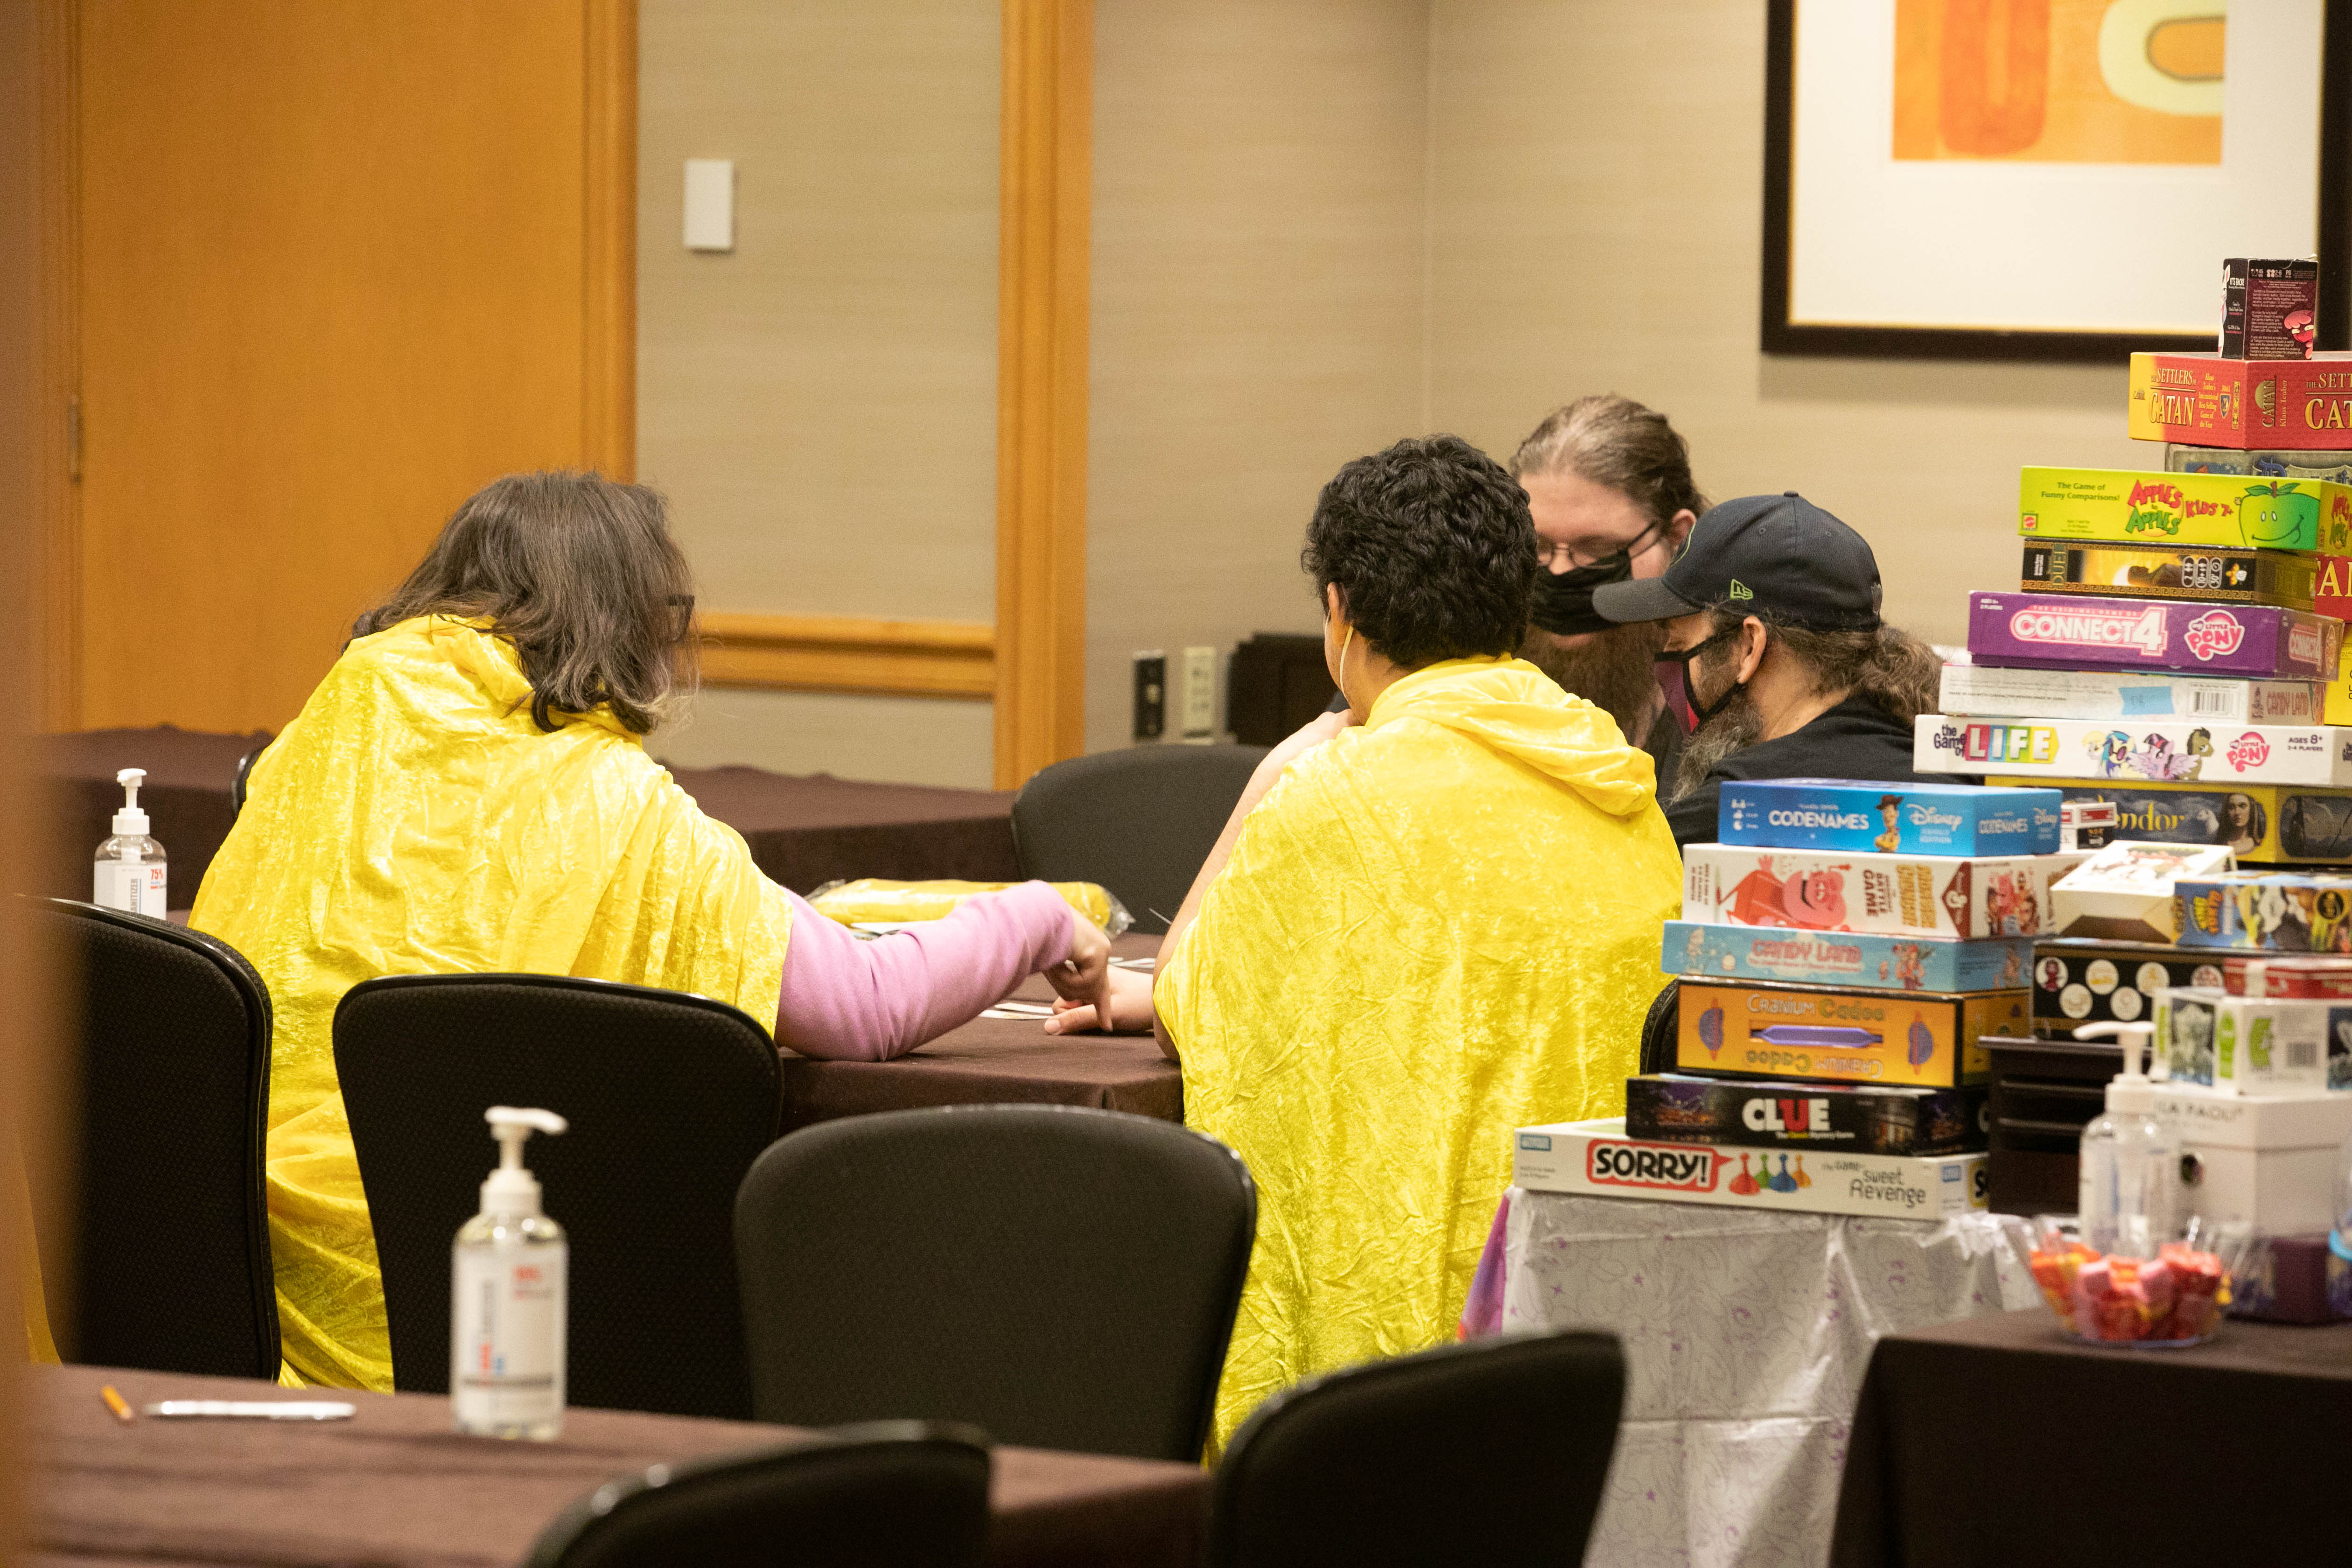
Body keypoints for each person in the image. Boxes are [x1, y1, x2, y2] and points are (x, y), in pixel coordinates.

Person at [192, 472, 1114, 1390]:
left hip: (227, 1292)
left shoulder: (325, 737)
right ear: (627, 624)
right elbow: (865, 1005)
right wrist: (1039, 917)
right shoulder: (615, 807)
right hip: (486, 1315)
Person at [1050, 435, 1681, 1452]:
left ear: (1340, 611)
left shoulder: (1338, 794)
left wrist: (1290, 760)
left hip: (1394, 1364)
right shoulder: (1614, 776)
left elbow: (1184, 997)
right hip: (1590, 1330)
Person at [1589, 490, 1945, 851]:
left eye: (1679, 646)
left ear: (1749, 646)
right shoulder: (1946, 777)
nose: (1667, 666)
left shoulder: (1737, 811)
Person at [1509, 395, 1707, 776]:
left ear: (1678, 539)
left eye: (1598, 548)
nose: (1561, 572)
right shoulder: (1472, 684)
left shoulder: (1730, 701)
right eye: (1539, 547)